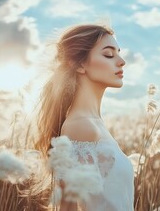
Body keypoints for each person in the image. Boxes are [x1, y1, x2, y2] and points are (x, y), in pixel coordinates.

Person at [35, 24, 134, 211]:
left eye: (118, 53)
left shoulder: (95, 124)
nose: (121, 61)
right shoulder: (80, 126)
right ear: (79, 64)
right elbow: (68, 206)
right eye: (109, 54)